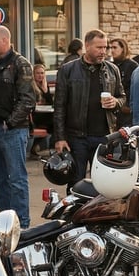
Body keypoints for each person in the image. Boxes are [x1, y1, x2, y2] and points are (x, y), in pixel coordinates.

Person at [53, 29, 126, 186]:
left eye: (105, 47)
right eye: (99, 47)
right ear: (87, 46)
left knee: (103, 185)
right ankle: (74, 211)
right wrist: (60, 138)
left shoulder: (112, 70)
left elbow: (123, 97)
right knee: (76, 184)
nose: (103, 52)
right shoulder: (68, 70)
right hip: (77, 137)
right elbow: (59, 106)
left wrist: (115, 102)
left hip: (104, 136)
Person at [0, 26, 35, 227]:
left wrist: (10, 123)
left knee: (17, 179)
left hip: (12, 129)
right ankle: (4, 222)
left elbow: (28, 100)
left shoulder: (20, 64)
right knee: (0, 179)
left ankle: (22, 223)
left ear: (5, 40)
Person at [108, 37, 138, 128]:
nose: (112, 50)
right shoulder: (110, 66)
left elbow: (135, 88)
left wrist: (129, 106)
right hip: (113, 107)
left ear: (123, 48)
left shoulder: (132, 66)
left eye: (115, 47)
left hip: (127, 109)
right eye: (110, 48)